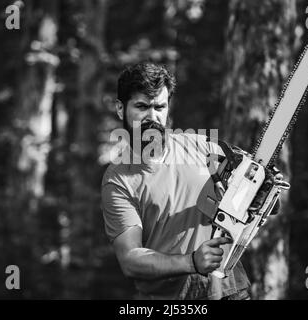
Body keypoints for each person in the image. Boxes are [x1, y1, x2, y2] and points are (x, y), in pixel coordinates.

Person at [101, 62, 251, 300]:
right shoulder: (119, 179)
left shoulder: (204, 147)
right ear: (121, 109)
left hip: (230, 291)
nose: (153, 116)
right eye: (142, 107)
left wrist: (264, 192)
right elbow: (130, 259)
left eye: (160, 107)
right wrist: (191, 262)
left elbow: (256, 193)